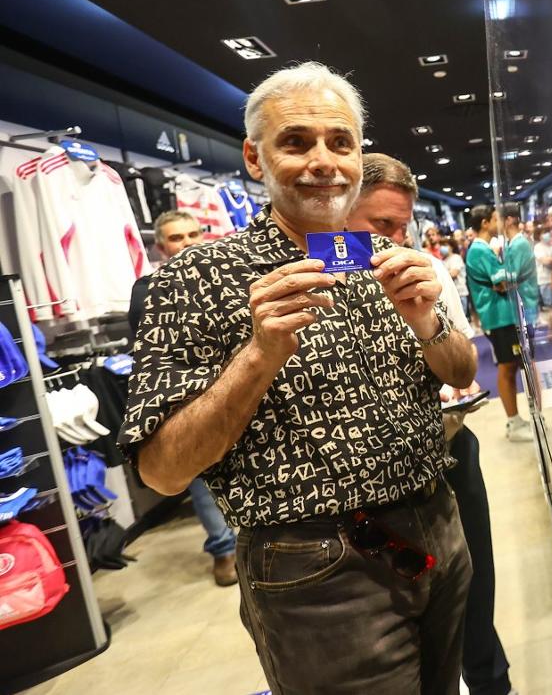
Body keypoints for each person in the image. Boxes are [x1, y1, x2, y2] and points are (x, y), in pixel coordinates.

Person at [121, 62, 477, 694]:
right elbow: (161, 471)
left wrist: (428, 323)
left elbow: (460, 370)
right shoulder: (197, 278)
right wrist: (259, 354)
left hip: (437, 530)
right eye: (296, 142)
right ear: (255, 160)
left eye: (340, 143)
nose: (324, 160)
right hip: (316, 570)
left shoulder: (383, 257)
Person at [346, 152, 517, 695]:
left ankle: (491, 684)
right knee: (390, 621)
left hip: (448, 452)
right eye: (381, 225)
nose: (395, 239)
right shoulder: (309, 278)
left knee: (474, 588)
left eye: (403, 225)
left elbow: (463, 367)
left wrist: (425, 319)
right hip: (361, 486)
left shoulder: (425, 267)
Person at [127, 210, 238, 587]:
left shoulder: (225, 279)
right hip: (187, 399)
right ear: (161, 246)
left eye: (193, 233)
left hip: (236, 389)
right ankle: (224, 550)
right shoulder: (149, 288)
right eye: (177, 238)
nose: (188, 242)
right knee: (202, 480)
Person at [466, 204, 534, 442]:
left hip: (503, 316)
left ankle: (516, 420)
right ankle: (514, 423)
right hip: (498, 317)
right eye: (495, 218)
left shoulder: (483, 249)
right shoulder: (480, 250)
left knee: (512, 365)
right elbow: (502, 281)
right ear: (485, 223)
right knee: (507, 367)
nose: (500, 222)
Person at [501, 202, 540, 326]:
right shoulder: (511, 243)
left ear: (509, 220)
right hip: (519, 300)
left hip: (525, 300)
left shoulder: (519, 244)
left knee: (527, 337)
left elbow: (512, 275)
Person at [534, 226, 552, 315]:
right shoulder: (538, 247)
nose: (547, 234)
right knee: (549, 307)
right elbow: (545, 261)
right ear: (540, 235)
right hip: (544, 280)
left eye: (548, 232)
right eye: (544, 232)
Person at [444, 237, 470, 324]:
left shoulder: (456, 257)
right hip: (450, 294)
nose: (442, 247)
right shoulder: (444, 260)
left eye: (445, 245)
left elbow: (454, 273)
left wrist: (442, 275)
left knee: (462, 323)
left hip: (460, 293)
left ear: (451, 247)